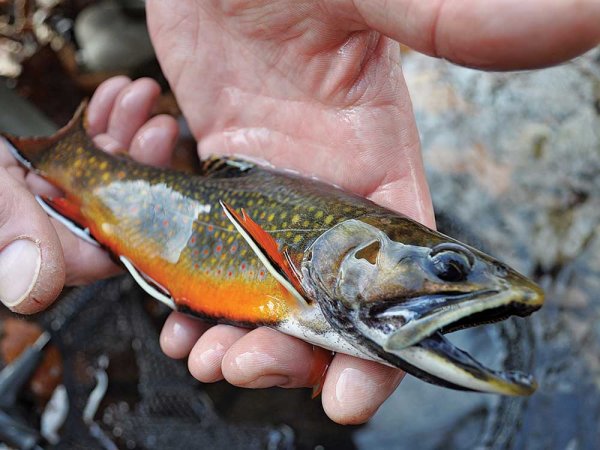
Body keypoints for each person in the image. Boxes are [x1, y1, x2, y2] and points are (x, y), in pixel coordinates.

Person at [0, 0, 598, 425]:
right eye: (446, 269)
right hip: (139, 203)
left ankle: (37, 121)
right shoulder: (308, 271)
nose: (450, 281)